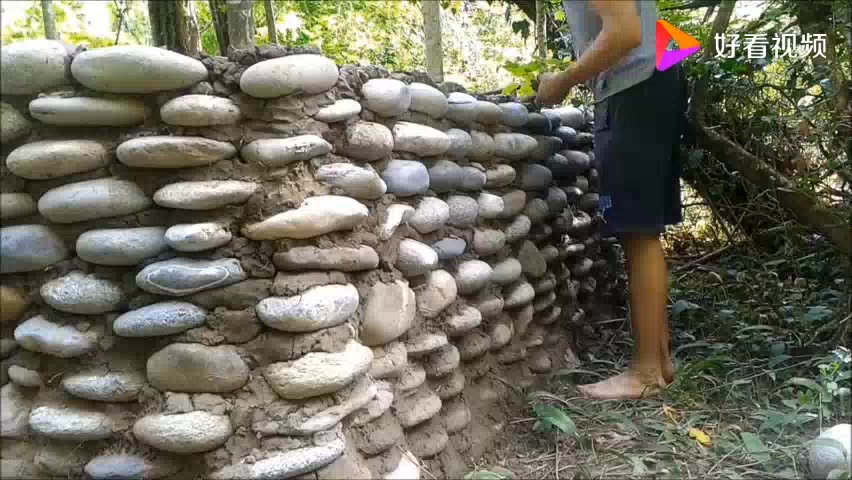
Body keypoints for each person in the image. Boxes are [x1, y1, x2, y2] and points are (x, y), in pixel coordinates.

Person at [536, 0, 687, 400]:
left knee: (638, 231)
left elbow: (624, 32)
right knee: (640, 229)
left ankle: (646, 373)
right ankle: (660, 359)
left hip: (635, 84)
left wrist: (563, 80)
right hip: (652, 76)